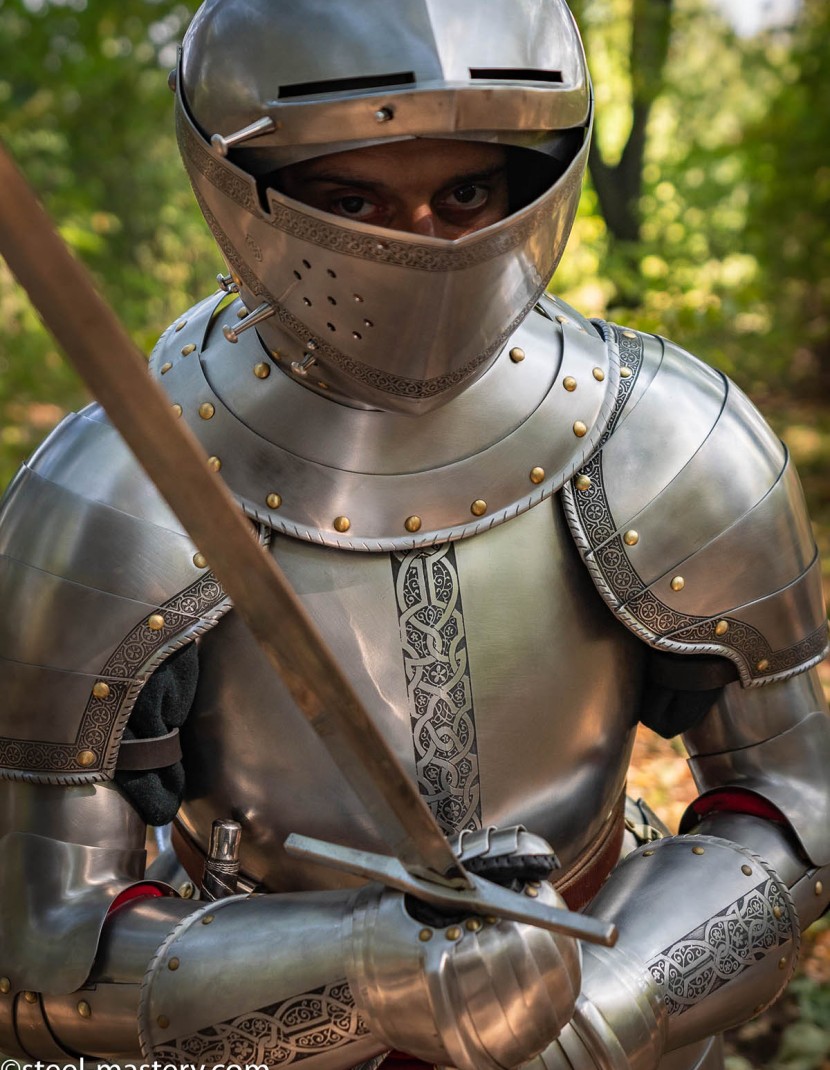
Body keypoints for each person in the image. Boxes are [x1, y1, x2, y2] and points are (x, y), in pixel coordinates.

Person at [0, 2, 828, 1069]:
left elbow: (794, 804)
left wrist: (610, 997)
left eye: (468, 191)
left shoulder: (667, 437)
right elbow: (35, 959)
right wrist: (358, 976)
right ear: (241, 182)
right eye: (353, 198)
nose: (423, 246)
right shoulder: (112, 493)